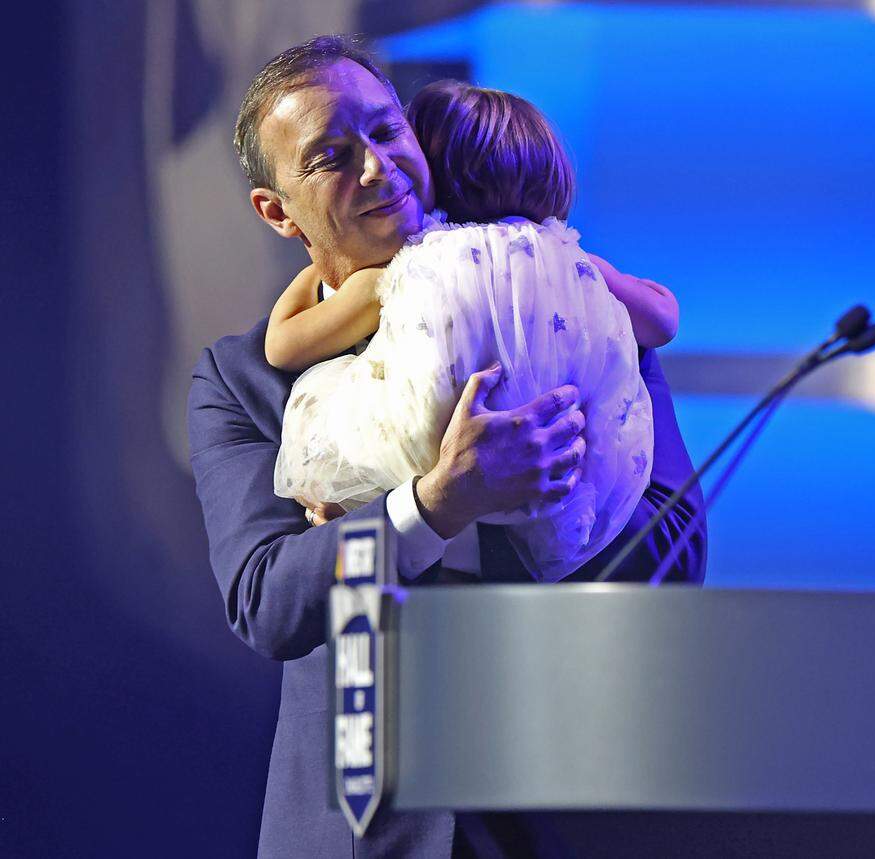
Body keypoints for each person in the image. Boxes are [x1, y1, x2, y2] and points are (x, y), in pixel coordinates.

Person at [187, 35, 705, 857]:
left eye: (387, 132)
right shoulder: (242, 380)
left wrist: (539, 497)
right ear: (276, 211)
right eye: (330, 154)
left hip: (563, 809)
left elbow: (674, 552)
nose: (376, 167)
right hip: (360, 832)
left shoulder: (561, 311)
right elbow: (267, 599)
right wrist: (432, 506)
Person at [269, 79, 680, 582]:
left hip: (418, 470)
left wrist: (312, 274)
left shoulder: (411, 267)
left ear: (431, 174)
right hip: (568, 498)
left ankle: (364, 507)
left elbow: (285, 346)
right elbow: (662, 319)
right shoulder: (573, 264)